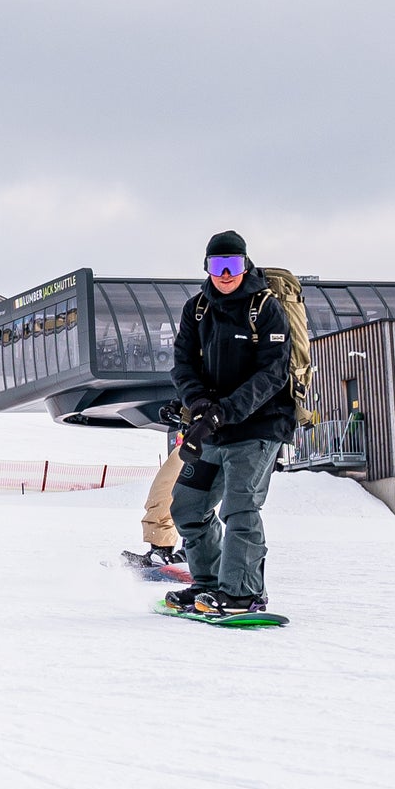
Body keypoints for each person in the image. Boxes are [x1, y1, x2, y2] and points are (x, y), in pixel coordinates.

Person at [164, 231, 294, 615]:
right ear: (206, 267)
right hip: (212, 427)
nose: (225, 274)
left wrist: (227, 409)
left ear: (245, 264)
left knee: (240, 508)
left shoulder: (265, 308)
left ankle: (243, 591)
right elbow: (183, 365)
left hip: (259, 427)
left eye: (232, 265)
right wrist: (200, 403)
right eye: (217, 266)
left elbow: (272, 374)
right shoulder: (197, 309)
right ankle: (208, 584)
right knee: (188, 507)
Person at [123, 417, 187, 569]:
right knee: (163, 490)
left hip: (227, 435)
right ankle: (160, 549)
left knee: (197, 495)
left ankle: (194, 553)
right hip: (194, 436)